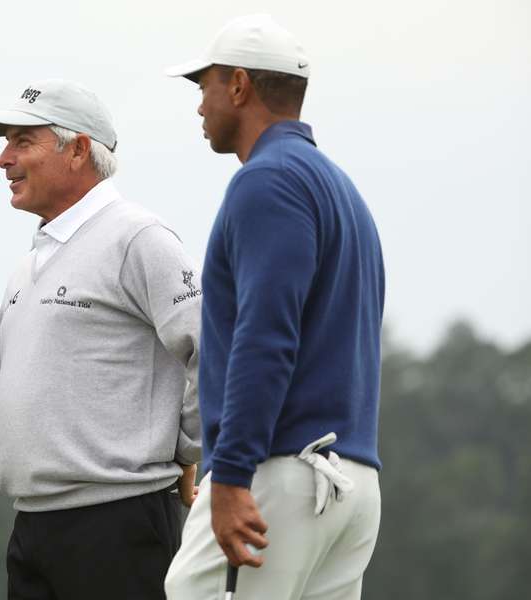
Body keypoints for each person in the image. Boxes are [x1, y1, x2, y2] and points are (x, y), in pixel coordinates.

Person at [0, 79, 202, 600]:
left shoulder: (138, 237)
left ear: (78, 149)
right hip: (33, 528)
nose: (3, 159)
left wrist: (185, 450)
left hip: (120, 524)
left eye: (21, 141)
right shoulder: (30, 264)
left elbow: (210, 350)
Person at [162, 14, 386, 600]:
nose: (200, 106)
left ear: (238, 85)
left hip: (278, 474)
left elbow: (265, 337)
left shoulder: (268, 181)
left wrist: (232, 474)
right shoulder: (339, 186)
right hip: (350, 481)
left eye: (204, 86)